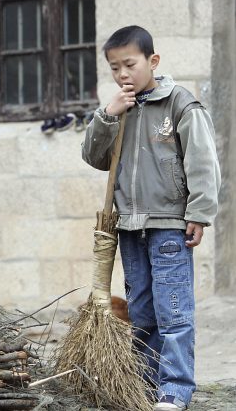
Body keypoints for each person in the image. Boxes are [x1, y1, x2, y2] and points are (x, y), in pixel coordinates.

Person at [82, 26, 221, 411]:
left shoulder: (179, 104)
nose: (122, 74)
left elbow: (203, 162)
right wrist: (108, 116)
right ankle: (144, 386)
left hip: (170, 225)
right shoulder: (118, 110)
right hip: (129, 226)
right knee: (141, 309)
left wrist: (199, 213)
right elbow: (93, 157)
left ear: (152, 61)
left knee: (173, 309)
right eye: (114, 68)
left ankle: (175, 390)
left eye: (130, 64)